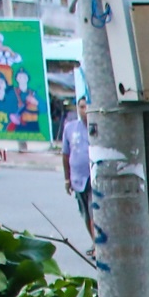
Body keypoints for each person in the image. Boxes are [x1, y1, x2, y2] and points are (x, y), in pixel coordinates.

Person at [62, 97, 93, 240]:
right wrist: (67, 179)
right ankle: (95, 242)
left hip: (94, 178)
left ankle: (99, 246)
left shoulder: (98, 127)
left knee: (95, 212)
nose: (84, 110)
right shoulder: (70, 128)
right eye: (81, 107)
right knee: (85, 213)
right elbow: (65, 154)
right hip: (78, 178)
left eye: (87, 107)